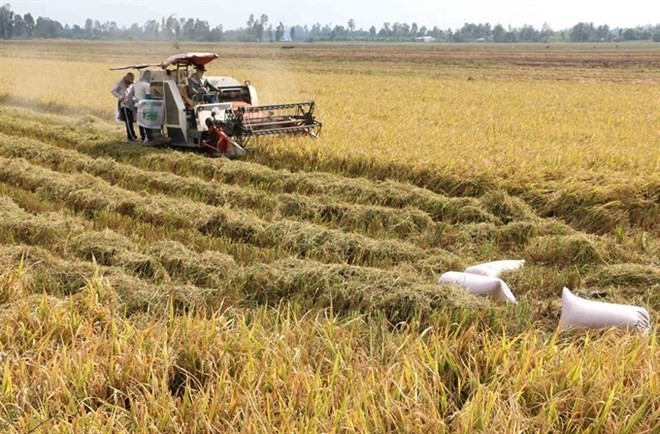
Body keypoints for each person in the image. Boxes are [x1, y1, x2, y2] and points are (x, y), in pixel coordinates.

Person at [111, 72, 138, 142]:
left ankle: (133, 135)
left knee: (131, 120)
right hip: (124, 105)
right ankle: (131, 137)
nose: (130, 83)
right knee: (128, 121)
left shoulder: (131, 84)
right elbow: (113, 91)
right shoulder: (119, 83)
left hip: (131, 104)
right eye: (129, 81)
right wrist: (120, 97)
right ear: (126, 80)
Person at [129, 70, 153, 143]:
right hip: (144, 105)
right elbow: (148, 97)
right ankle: (148, 138)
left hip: (137, 105)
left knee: (140, 122)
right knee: (147, 122)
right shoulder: (146, 85)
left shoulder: (136, 84)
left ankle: (143, 137)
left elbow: (132, 95)